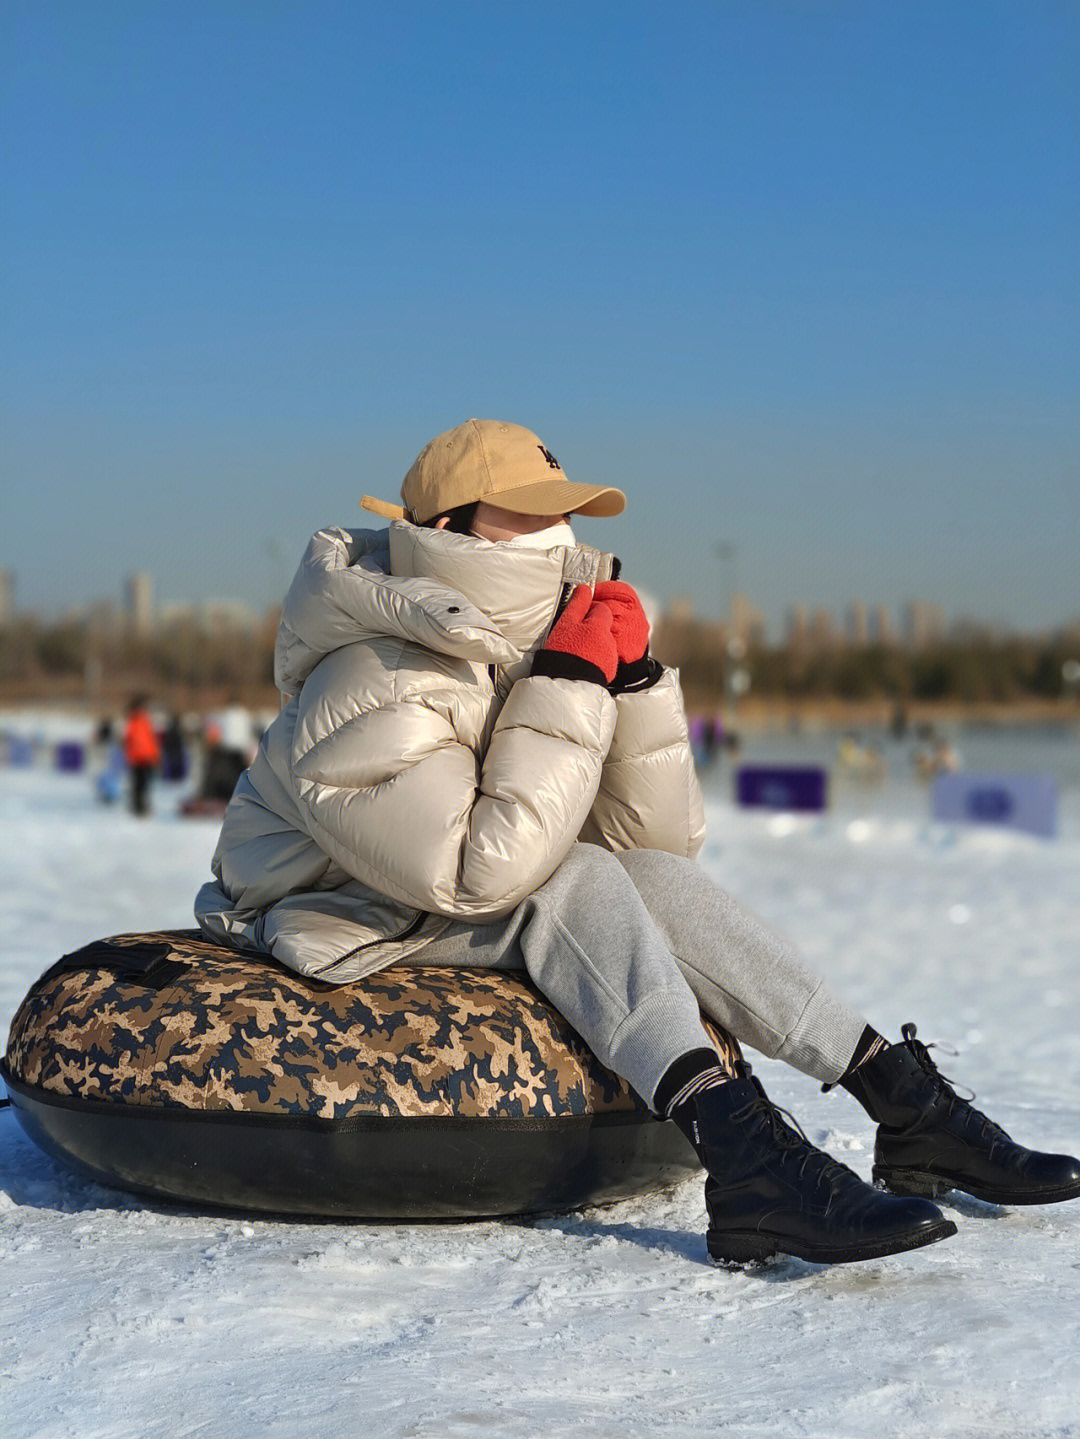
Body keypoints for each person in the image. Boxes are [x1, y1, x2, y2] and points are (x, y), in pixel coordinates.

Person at [195, 419, 1079, 1266]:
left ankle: (903, 1100)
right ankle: (749, 1160)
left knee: (636, 876)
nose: (561, 531)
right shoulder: (373, 671)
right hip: (342, 909)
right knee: (566, 879)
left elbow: (652, 846)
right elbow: (475, 873)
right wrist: (571, 683)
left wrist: (634, 685)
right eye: (531, 512)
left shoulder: (518, 648)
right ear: (445, 529)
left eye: (563, 509)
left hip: (430, 895)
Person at [123, 695, 160, 818]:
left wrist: (155, 755)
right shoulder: (133, 721)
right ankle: (138, 806)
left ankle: (142, 805)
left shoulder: (144, 720)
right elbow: (129, 741)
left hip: (146, 757)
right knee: (138, 784)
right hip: (137, 758)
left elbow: (150, 740)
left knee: (144, 784)